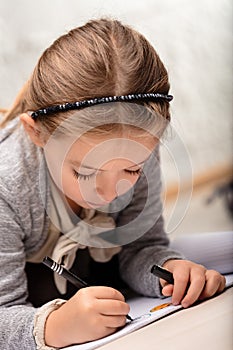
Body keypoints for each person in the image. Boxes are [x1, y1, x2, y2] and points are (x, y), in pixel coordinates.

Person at [0, 18, 225, 350]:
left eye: (131, 171)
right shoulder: (8, 187)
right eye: (84, 173)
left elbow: (139, 248)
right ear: (37, 133)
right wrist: (53, 327)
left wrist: (168, 269)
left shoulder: (136, 145)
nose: (108, 193)